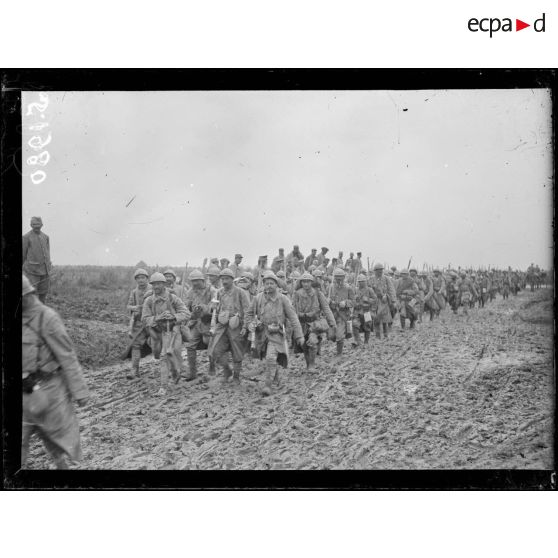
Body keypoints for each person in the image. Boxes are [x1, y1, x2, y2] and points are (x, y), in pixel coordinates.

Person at [22, 274, 90, 469]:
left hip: (49, 389)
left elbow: (67, 356)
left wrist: (80, 392)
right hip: (23, 391)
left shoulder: (47, 318)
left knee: (54, 437)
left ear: (27, 296)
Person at [246, 270, 304, 396]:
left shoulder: (283, 299)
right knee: (268, 358)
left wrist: (299, 335)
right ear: (264, 285)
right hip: (262, 334)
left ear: (276, 285)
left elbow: (293, 317)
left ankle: (268, 385)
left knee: (271, 357)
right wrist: (250, 324)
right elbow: (249, 314)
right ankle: (275, 377)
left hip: (277, 334)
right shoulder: (258, 298)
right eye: (267, 283)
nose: (269, 286)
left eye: (272, 283)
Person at [142, 272, 189, 395]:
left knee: (165, 356)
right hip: (157, 332)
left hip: (173, 331)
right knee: (162, 355)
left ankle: (163, 387)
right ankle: (175, 371)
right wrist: (157, 318)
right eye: (154, 284)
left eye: (159, 284)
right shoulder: (148, 300)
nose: (156, 287)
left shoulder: (173, 298)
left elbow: (186, 313)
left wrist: (173, 316)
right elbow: (144, 318)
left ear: (164, 284)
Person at [207, 268, 251, 384]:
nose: (224, 281)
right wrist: (213, 308)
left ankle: (236, 377)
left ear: (232, 279)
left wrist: (245, 326)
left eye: (227, 279)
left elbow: (248, 310)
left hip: (236, 325)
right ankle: (227, 370)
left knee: (237, 351)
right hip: (222, 325)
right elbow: (214, 310)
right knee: (216, 350)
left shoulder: (240, 292)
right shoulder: (219, 292)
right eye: (222, 279)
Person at [292, 271, 336, 371]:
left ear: (311, 282)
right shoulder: (297, 294)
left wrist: (332, 323)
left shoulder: (317, 293)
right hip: (301, 323)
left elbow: (326, 308)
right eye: (304, 282)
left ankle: (312, 365)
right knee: (304, 346)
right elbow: (292, 309)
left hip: (314, 323)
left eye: (308, 281)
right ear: (301, 282)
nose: (306, 284)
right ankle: (308, 365)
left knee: (312, 342)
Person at [183, 269, 217, 379]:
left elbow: (215, 306)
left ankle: (212, 367)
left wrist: (204, 308)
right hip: (196, 322)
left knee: (210, 343)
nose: (194, 283)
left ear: (202, 280)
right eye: (192, 281)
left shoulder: (211, 290)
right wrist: (191, 313)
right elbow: (185, 307)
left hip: (208, 321)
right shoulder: (190, 292)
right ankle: (192, 372)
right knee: (190, 344)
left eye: (197, 281)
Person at [124, 268, 152, 379]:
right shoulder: (134, 292)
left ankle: (172, 369)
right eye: (138, 278)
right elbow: (128, 305)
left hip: (152, 321)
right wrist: (134, 307)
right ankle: (134, 370)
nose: (141, 280)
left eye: (143, 278)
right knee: (135, 346)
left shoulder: (153, 288)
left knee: (160, 344)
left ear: (147, 278)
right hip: (139, 322)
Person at [22, 216, 52, 303]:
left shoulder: (46, 237)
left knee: (43, 293)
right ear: (31, 225)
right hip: (32, 271)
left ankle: (41, 311)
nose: (36, 226)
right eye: (34, 224)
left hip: (45, 271)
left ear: (42, 225)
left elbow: (47, 253)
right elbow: (23, 254)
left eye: (38, 224)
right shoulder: (26, 237)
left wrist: (49, 267)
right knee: (31, 294)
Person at [329, 268, 355, 359]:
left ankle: (339, 353)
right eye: (337, 278)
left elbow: (353, 301)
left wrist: (346, 303)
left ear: (344, 278)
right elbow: (326, 298)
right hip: (333, 315)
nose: (338, 280)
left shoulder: (348, 288)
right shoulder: (331, 287)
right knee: (331, 336)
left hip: (343, 315)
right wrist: (329, 301)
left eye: (340, 278)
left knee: (339, 335)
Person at [369, 263, 396, 339]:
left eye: (381, 270)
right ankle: (377, 335)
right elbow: (368, 289)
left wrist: (392, 299)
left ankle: (385, 334)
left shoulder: (386, 278)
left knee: (385, 318)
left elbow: (391, 289)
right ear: (375, 271)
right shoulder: (371, 279)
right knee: (376, 318)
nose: (380, 271)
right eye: (378, 270)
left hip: (384, 301)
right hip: (375, 301)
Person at [353, 274, 378, 345]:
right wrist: (355, 299)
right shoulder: (355, 290)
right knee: (355, 325)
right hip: (357, 311)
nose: (361, 283)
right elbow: (351, 300)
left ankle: (366, 341)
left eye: (363, 281)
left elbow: (375, 300)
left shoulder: (369, 290)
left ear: (365, 281)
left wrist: (367, 299)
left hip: (367, 311)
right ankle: (357, 340)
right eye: (359, 281)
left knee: (367, 326)